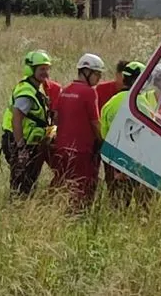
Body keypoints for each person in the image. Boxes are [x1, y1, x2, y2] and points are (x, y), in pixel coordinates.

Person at [50, 53, 105, 212]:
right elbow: (95, 122)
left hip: (61, 148)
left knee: (63, 183)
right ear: (87, 72)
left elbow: (56, 118)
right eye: (97, 74)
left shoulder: (64, 90)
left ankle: (58, 213)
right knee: (83, 187)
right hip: (82, 151)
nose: (99, 78)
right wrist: (102, 142)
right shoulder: (89, 92)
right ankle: (78, 216)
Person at [0, 50, 55, 197]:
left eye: (47, 68)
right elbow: (16, 118)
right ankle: (16, 211)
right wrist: (20, 147)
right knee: (21, 184)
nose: (45, 72)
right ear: (31, 70)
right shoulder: (26, 92)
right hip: (20, 142)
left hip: (30, 141)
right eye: (41, 69)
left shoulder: (37, 87)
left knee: (28, 182)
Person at [99, 61, 152, 207]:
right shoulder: (142, 103)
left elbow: (103, 133)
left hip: (111, 158)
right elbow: (150, 134)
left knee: (117, 200)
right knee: (143, 202)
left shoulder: (110, 103)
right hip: (135, 160)